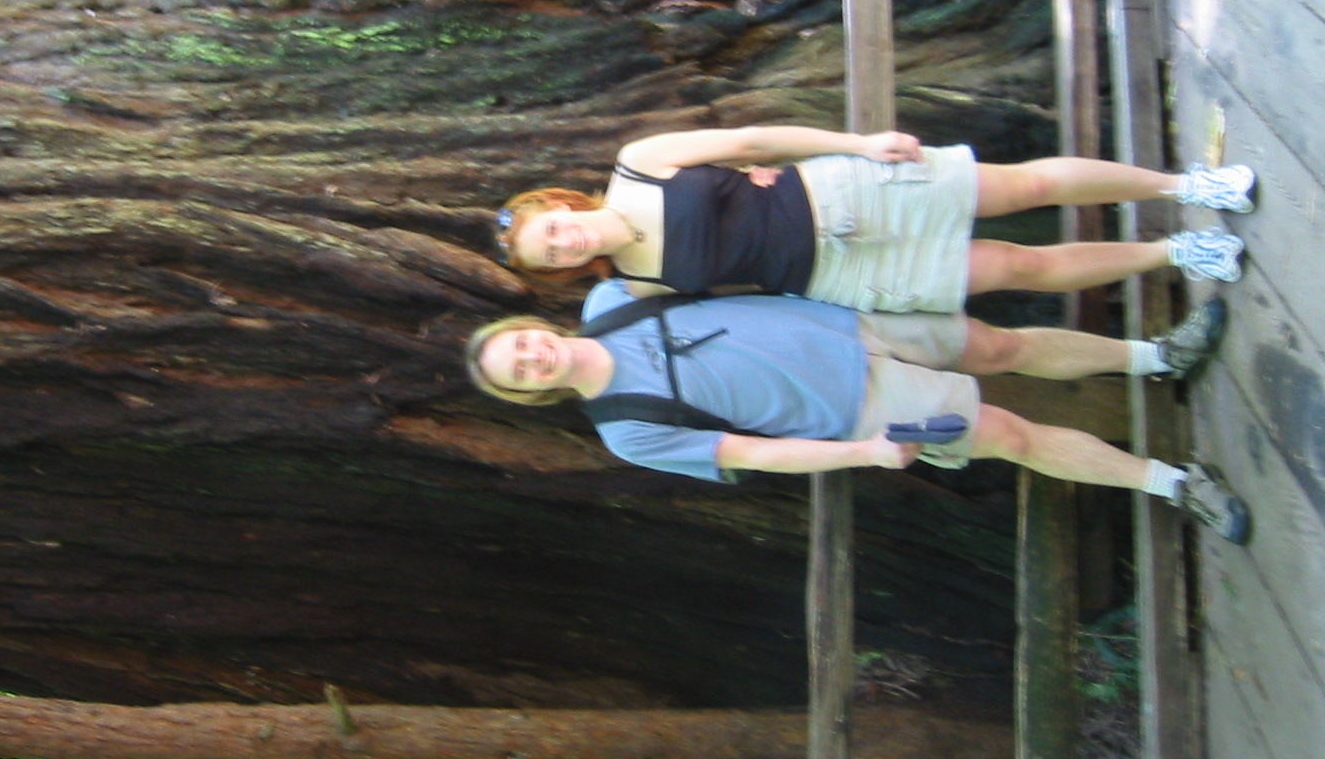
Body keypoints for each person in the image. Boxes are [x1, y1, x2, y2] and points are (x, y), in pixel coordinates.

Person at [464, 279, 1251, 543]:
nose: (535, 356)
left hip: (849, 322)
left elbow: (707, 263)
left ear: (532, 327)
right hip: (862, 412)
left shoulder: (610, 299)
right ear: (530, 394)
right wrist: (865, 454)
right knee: (1012, 436)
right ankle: (1175, 484)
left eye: (522, 344)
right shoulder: (627, 431)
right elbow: (750, 454)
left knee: (1001, 344)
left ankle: (1158, 355)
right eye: (521, 372)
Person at [495, 125, 1255, 312]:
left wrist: (857, 143)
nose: (564, 244)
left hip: (839, 195)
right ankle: (1180, 252)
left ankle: (1190, 184)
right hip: (843, 276)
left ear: (560, 205)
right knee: (1018, 268)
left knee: (1023, 187)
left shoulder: (637, 164)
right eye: (552, 256)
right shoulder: (638, 287)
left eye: (552, 230)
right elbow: (746, 307)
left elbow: (750, 142)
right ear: (564, 270)